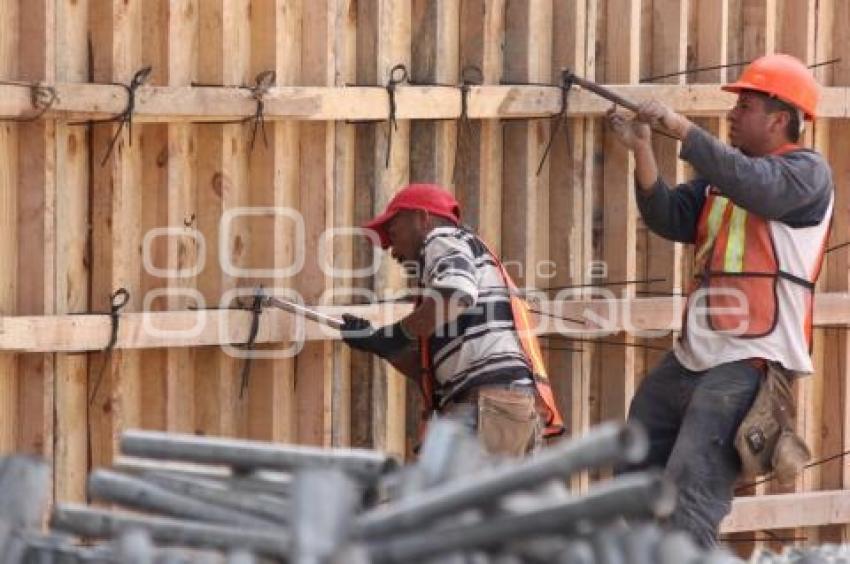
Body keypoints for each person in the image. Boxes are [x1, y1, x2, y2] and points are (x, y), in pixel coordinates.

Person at [606, 53, 834, 547]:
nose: (732, 114)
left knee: (691, 498)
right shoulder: (723, 180)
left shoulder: (805, 174)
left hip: (750, 361)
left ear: (779, 119)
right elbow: (669, 217)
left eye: (745, 105)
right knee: (634, 474)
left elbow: (759, 188)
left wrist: (684, 130)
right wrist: (644, 151)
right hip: (695, 358)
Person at [340, 183, 563, 457]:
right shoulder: (440, 296)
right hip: (499, 407)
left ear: (422, 219)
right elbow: (434, 378)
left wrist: (396, 335)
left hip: (487, 407)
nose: (392, 250)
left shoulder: (442, 238)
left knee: (459, 499)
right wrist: (382, 346)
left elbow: (457, 294)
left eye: (393, 232)